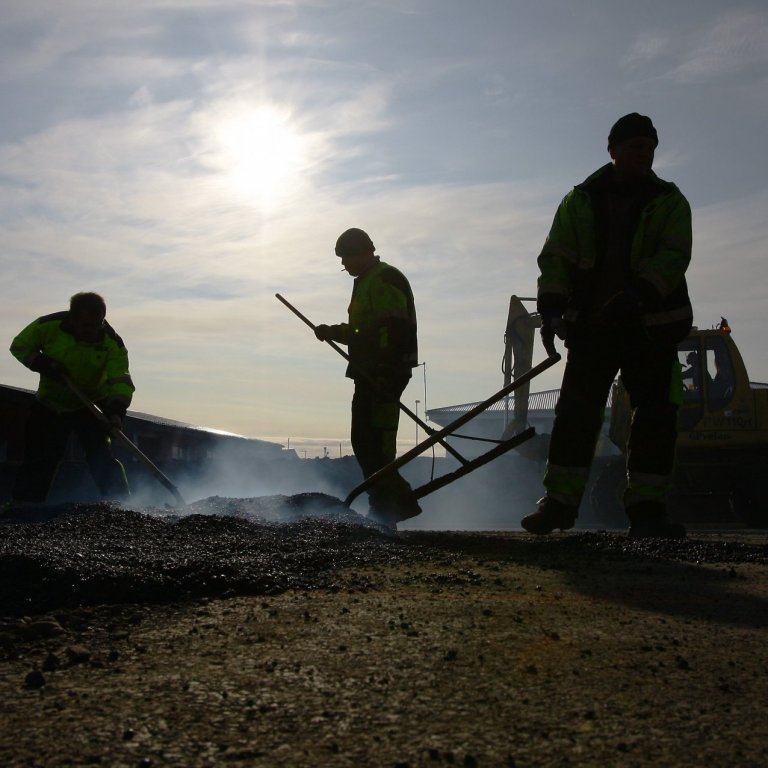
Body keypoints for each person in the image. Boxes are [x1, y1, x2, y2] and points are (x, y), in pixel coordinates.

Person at [524, 113, 693, 539]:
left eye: (650, 148)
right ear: (613, 149)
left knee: (655, 419)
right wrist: (550, 308)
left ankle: (648, 511)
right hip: (595, 329)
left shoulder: (670, 202)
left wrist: (639, 295)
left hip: (650, 328)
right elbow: (555, 259)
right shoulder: (579, 202)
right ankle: (559, 504)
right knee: (576, 416)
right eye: (636, 146)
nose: (645, 154)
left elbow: (674, 258)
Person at [314, 228, 421, 528]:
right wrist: (333, 332)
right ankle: (385, 503)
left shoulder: (385, 279)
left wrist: (387, 371)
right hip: (370, 373)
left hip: (384, 374)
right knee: (364, 439)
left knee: (377, 440)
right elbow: (365, 332)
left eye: (346, 260)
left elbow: (395, 330)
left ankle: (392, 505)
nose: (344, 266)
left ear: (361, 253)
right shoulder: (366, 283)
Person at [9, 292, 135, 504]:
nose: (92, 331)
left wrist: (115, 411)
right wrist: (44, 364)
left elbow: (120, 381)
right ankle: (24, 506)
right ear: (72, 319)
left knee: (101, 457)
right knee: (40, 459)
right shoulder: (48, 326)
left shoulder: (112, 344)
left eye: (97, 324)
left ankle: (121, 504)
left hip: (90, 404)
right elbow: (19, 346)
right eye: (86, 325)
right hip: (49, 405)